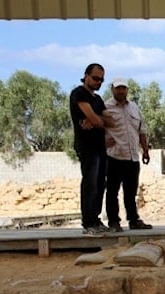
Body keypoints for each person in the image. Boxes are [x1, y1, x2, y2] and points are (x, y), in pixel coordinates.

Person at [103, 77, 152, 232]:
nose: (121, 91)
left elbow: (141, 130)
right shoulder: (105, 107)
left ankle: (133, 220)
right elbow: (97, 127)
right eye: (118, 88)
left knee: (130, 192)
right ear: (112, 89)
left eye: (123, 88)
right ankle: (113, 222)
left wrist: (145, 149)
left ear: (127, 90)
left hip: (132, 156)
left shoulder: (134, 108)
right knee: (112, 191)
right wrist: (103, 141)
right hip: (114, 156)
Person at [69, 63, 112, 236]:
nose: (98, 82)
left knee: (101, 183)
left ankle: (95, 219)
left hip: (100, 146)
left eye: (101, 80)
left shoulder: (98, 99)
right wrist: (97, 120)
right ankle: (88, 222)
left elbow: (110, 121)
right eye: (95, 78)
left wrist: (96, 120)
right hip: (86, 147)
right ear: (86, 75)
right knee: (90, 183)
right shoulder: (79, 93)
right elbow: (98, 120)